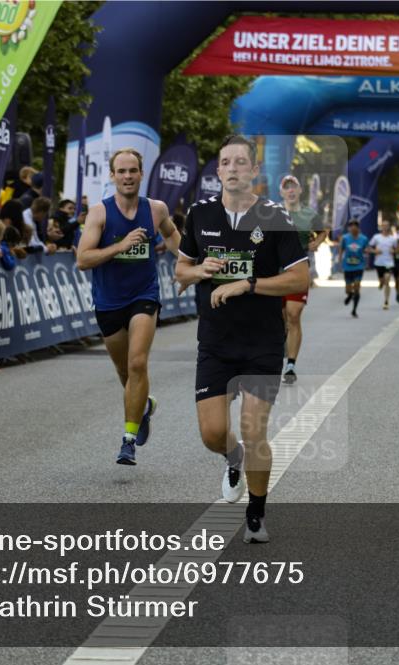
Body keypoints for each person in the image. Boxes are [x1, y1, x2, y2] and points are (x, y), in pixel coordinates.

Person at [175, 135, 309, 544]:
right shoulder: (199, 214)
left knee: (254, 431)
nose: (232, 168)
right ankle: (231, 460)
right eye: (225, 162)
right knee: (213, 434)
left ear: (254, 171)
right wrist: (200, 272)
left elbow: (300, 278)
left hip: (262, 342)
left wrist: (247, 283)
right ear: (218, 171)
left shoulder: (276, 218)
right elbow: (181, 271)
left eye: (240, 162)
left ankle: (256, 512)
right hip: (215, 340)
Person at [76, 148, 181, 466]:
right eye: (121, 171)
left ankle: (128, 440)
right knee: (124, 371)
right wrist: (120, 246)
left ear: (141, 173)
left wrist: (193, 263)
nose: (127, 176)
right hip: (108, 301)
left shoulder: (156, 209)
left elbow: (173, 236)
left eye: (132, 170)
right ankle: (143, 406)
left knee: (137, 364)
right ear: (112, 175)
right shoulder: (99, 213)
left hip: (144, 295)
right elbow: (83, 259)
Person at [278, 174, 326, 383]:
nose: (290, 190)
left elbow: (323, 231)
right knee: (280, 318)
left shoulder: (309, 214)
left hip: (299, 269)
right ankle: (281, 344)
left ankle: (290, 364)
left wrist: (318, 242)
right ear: (282, 192)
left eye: (293, 187)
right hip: (275, 270)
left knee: (293, 314)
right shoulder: (272, 213)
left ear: (299, 191)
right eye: (286, 187)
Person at [338, 219, 368, 318]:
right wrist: (339, 261)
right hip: (348, 266)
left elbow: (366, 250)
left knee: (357, 286)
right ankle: (350, 295)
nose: (353, 228)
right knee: (348, 289)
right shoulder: (345, 238)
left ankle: (354, 310)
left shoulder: (363, 239)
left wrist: (368, 258)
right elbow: (341, 249)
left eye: (355, 226)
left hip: (359, 266)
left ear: (358, 228)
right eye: (351, 226)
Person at [367, 219, 398, 309]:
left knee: (387, 280)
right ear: (381, 227)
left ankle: (386, 301)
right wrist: (375, 251)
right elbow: (368, 248)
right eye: (383, 225)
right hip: (379, 263)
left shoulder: (392, 239)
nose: (385, 227)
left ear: (389, 227)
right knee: (382, 281)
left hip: (389, 262)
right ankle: (381, 283)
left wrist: (394, 251)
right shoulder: (376, 237)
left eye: (386, 225)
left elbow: (398, 249)